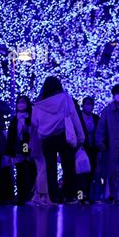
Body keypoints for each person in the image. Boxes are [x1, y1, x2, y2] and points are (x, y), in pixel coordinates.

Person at [32, 76, 85, 204]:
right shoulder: (65, 98)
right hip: (64, 136)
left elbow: (34, 122)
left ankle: (53, 197)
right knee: (68, 167)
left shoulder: (39, 103)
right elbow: (73, 117)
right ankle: (69, 196)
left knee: (50, 168)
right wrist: (81, 136)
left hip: (47, 139)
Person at [6, 95, 36, 205]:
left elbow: (33, 132)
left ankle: (30, 196)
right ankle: (20, 197)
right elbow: (11, 135)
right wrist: (9, 152)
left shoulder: (31, 117)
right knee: (20, 173)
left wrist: (26, 128)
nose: (21, 104)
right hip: (18, 149)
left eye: (23, 102)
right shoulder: (14, 119)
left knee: (30, 172)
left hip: (30, 147)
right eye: (19, 102)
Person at [78, 96, 100, 202]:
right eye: (87, 103)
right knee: (80, 174)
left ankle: (89, 196)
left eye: (91, 103)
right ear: (82, 105)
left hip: (92, 150)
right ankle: (80, 197)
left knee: (91, 174)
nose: (89, 106)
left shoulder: (96, 118)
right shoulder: (78, 117)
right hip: (80, 149)